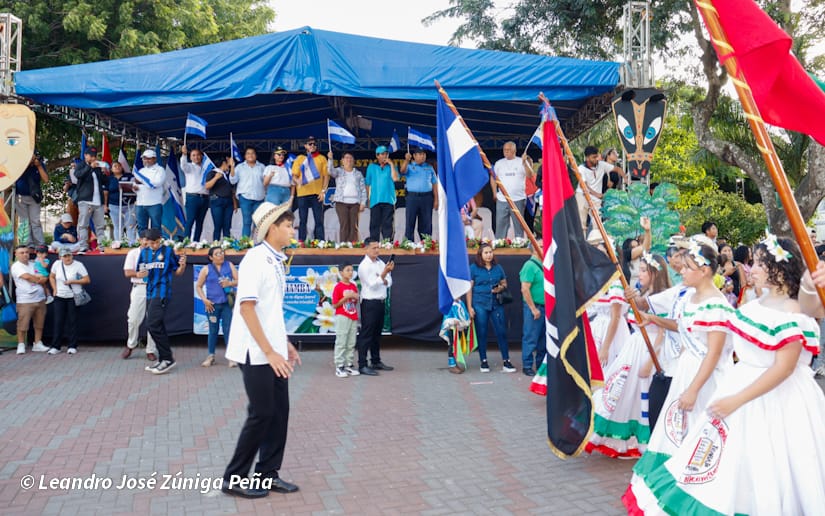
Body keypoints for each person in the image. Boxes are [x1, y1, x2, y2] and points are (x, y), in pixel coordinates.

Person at [625, 236, 825, 515]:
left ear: (778, 270)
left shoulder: (796, 315)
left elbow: (783, 369)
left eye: (757, 263)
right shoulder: (755, 304)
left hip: (775, 401)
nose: (750, 269)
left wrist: (736, 400)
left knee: (769, 470)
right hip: (739, 390)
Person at [626, 243, 735, 499]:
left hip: (706, 379)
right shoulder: (690, 297)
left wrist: (693, 390)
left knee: (701, 432)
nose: (682, 271)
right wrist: (654, 319)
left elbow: (713, 352)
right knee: (678, 432)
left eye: (688, 267)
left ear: (705, 270)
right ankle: (677, 488)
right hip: (686, 371)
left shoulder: (717, 306)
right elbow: (680, 326)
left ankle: (699, 492)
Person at [222, 201, 301, 499]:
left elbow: (270, 312)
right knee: (262, 412)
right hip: (254, 351)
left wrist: (285, 345)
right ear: (272, 228)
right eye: (288, 225)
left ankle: (267, 475)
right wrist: (270, 352)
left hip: (273, 349)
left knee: (280, 412)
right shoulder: (255, 259)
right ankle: (234, 477)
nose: (292, 230)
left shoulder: (275, 259)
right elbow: (247, 309)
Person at [586, 253, 671, 459]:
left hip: (650, 350)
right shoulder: (642, 292)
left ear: (654, 273)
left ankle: (641, 441)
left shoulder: (661, 298)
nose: (639, 274)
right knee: (618, 390)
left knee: (639, 394)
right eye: (639, 269)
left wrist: (651, 360)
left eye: (643, 270)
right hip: (634, 347)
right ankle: (623, 440)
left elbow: (663, 333)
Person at [136, 227, 188, 374]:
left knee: (152, 324)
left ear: (160, 240)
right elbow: (139, 272)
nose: (152, 245)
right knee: (156, 325)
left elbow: (178, 272)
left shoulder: (168, 251)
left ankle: (167, 359)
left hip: (163, 292)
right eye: (149, 243)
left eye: (154, 243)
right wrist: (140, 274)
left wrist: (182, 265)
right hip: (149, 292)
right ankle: (165, 358)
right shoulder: (144, 253)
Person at [467, 243, 516, 373]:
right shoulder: (474, 268)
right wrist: (469, 307)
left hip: (496, 303)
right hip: (480, 303)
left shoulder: (498, 268)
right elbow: (469, 289)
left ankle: (506, 360)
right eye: (486, 253)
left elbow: (504, 283)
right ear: (480, 255)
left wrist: (499, 288)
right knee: (482, 332)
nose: (489, 255)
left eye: (490, 252)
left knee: (501, 331)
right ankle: (483, 361)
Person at [587, 231, 632, 369]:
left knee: (608, 369)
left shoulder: (614, 280)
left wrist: (605, 348)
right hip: (596, 327)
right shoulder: (594, 277)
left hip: (611, 332)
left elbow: (615, 316)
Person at [355, 238, 395, 375]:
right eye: (373, 248)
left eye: (378, 247)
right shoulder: (364, 266)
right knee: (366, 333)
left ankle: (376, 360)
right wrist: (383, 275)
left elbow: (389, 281)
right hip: (369, 302)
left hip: (380, 301)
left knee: (377, 334)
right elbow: (371, 284)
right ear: (366, 249)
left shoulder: (380, 263)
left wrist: (383, 276)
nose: (377, 250)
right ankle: (362, 364)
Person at [196, 246, 238, 367]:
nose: (221, 255)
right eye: (217, 254)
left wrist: (230, 283)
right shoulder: (206, 269)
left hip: (226, 304)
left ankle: (231, 357)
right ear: (211, 257)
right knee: (213, 330)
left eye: (222, 253)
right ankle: (211, 356)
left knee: (228, 330)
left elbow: (239, 280)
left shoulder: (229, 265)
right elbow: (198, 286)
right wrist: (204, 300)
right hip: (212, 305)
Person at [120, 231, 157, 361]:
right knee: (133, 318)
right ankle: (131, 344)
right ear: (140, 240)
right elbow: (127, 272)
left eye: (150, 240)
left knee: (153, 320)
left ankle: (151, 349)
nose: (147, 243)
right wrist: (137, 274)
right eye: (145, 240)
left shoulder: (157, 253)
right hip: (139, 286)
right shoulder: (133, 253)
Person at [47, 248, 90, 355]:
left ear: (72, 255)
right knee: (58, 321)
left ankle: (72, 345)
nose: (67, 258)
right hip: (60, 296)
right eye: (65, 256)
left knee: (73, 321)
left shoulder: (78, 265)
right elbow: (51, 277)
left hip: (73, 296)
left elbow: (87, 280)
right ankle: (56, 346)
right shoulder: (57, 264)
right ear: (60, 257)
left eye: (69, 255)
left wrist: (73, 281)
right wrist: (54, 289)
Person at [10, 245, 49, 355]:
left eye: (26, 252)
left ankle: (37, 344)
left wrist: (41, 278)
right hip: (25, 300)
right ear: (16, 255)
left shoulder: (34, 264)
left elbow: (45, 277)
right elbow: (27, 277)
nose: (25, 254)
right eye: (22, 252)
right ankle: (21, 344)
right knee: (23, 324)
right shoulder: (16, 266)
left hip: (40, 298)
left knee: (39, 323)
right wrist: (39, 279)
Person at [492, 141, 534, 239]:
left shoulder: (521, 161)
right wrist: (494, 192)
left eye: (508, 150)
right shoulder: (499, 163)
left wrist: (525, 163)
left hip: (518, 198)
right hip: (502, 198)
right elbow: (493, 178)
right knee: (500, 224)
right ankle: (500, 243)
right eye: (504, 150)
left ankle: (519, 243)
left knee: (518, 224)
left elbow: (530, 175)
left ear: (514, 150)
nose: (506, 152)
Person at [291, 137, 329, 241]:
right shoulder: (300, 159)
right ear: (305, 146)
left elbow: (326, 176)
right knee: (303, 220)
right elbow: (294, 175)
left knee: (319, 220)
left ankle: (320, 242)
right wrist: (298, 181)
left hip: (317, 193)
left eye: (314, 144)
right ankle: (301, 241)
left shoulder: (322, 158)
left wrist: (323, 191)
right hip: (302, 193)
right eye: (310, 144)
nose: (312, 145)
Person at [399, 148, 438, 241]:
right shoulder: (409, 166)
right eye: (420, 154)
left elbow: (434, 184)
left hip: (427, 198)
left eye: (424, 154)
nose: (422, 156)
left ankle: (426, 243)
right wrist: (406, 160)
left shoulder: (429, 167)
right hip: (412, 197)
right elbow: (402, 171)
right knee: (410, 221)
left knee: (426, 222)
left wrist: (436, 199)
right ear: (414, 156)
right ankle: (409, 243)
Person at [519, 241, 545, 376]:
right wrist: (533, 308)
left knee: (543, 339)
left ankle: (540, 365)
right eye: (541, 246)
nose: (544, 248)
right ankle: (527, 365)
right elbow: (525, 289)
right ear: (534, 249)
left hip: (545, 307)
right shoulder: (529, 266)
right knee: (531, 337)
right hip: (535, 307)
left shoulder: (545, 264)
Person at [327, 151, 366, 243]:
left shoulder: (358, 174)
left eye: (350, 158)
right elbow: (330, 171)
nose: (349, 160)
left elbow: (363, 189)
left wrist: (363, 203)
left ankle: (353, 246)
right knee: (344, 225)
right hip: (341, 202)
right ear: (342, 161)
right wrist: (330, 159)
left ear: (353, 161)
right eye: (346, 158)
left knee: (354, 226)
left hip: (355, 203)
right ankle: (344, 245)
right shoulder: (339, 171)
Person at [74, 147, 107, 251]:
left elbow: (105, 182)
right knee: (83, 225)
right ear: (85, 155)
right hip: (85, 200)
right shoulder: (81, 165)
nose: (93, 158)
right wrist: (90, 167)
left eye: (94, 156)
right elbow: (78, 175)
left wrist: (104, 172)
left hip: (98, 201)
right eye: (91, 155)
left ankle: (102, 246)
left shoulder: (98, 167)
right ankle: (83, 246)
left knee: (100, 226)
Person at [230, 146, 266, 238]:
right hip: (245, 198)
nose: (250, 155)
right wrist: (232, 167)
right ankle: (245, 243)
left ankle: (258, 243)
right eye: (248, 153)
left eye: (252, 153)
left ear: (256, 155)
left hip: (259, 198)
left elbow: (266, 182)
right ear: (245, 156)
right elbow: (232, 180)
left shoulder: (262, 167)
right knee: (247, 221)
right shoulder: (240, 167)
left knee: (258, 222)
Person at [365, 145, 398, 241]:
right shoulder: (371, 167)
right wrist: (368, 198)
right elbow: (368, 184)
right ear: (377, 155)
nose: (385, 156)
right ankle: (374, 245)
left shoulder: (392, 166)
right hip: (375, 200)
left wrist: (391, 164)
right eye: (382, 154)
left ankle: (387, 245)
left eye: (386, 154)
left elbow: (395, 179)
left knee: (388, 224)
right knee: (374, 224)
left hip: (389, 200)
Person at [331, 263, 360, 377]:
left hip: (353, 315)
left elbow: (355, 301)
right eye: (347, 270)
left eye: (352, 270)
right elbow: (335, 304)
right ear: (341, 272)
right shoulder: (338, 287)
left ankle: (349, 364)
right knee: (341, 341)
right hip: (342, 316)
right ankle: (339, 365)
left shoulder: (353, 286)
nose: (350, 272)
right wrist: (347, 297)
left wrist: (355, 297)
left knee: (351, 342)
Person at [15, 152, 49, 246]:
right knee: (24, 222)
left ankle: (40, 244)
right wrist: (27, 163)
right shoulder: (21, 164)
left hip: (34, 197)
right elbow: (16, 173)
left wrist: (38, 166)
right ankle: (27, 244)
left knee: (35, 221)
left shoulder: (39, 164)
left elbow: (46, 179)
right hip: (21, 196)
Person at [179, 145, 211, 242]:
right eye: (193, 155)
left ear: (201, 156)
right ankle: (186, 242)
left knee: (200, 222)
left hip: (205, 198)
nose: (196, 157)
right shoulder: (189, 167)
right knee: (190, 221)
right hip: (192, 198)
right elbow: (183, 165)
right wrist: (184, 155)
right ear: (190, 157)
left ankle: (196, 242)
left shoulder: (206, 168)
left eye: (198, 155)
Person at [575, 145, 608, 235]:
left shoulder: (599, 167)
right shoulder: (581, 168)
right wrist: (597, 194)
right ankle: (582, 244)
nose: (596, 159)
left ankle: (596, 243)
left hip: (595, 198)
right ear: (587, 157)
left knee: (597, 222)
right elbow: (584, 186)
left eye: (596, 156)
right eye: (593, 157)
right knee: (582, 222)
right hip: (582, 195)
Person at [104, 161, 137, 244]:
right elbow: (105, 193)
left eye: (119, 166)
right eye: (115, 166)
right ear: (111, 169)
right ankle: (118, 244)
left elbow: (135, 187)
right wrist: (105, 205)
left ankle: (131, 244)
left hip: (129, 205)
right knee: (118, 226)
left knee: (130, 225)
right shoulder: (109, 179)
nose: (117, 167)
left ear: (122, 167)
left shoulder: (129, 176)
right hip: (114, 205)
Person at [134, 149, 166, 232]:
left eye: (149, 158)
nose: (146, 161)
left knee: (156, 227)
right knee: (141, 227)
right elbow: (135, 185)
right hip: (140, 202)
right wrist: (135, 187)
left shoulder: (160, 170)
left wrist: (142, 181)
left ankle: (155, 244)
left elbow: (157, 183)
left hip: (154, 203)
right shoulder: (141, 171)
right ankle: (143, 244)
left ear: (154, 159)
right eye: (145, 158)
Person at [204, 156, 235, 240]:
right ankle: (216, 244)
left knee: (227, 225)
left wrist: (232, 166)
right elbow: (207, 186)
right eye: (227, 163)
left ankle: (226, 244)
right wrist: (216, 178)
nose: (228, 165)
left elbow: (232, 185)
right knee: (218, 225)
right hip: (217, 201)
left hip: (228, 202)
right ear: (224, 163)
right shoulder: (212, 173)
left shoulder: (227, 174)